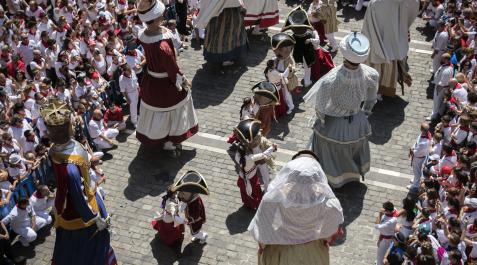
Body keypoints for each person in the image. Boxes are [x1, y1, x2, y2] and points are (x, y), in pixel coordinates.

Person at [39, 99, 117, 265]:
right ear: (68, 127)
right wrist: (95, 219)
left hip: (76, 199)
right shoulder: (70, 169)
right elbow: (77, 196)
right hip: (80, 214)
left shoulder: (58, 149)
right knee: (87, 247)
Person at [303, 32, 379, 188]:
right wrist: (363, 114)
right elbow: (371, 100)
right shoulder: (372, 74)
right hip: (357, 120)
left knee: (331, 152)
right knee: (352, 149)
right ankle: (352, 175)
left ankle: (335, 179)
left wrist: (322, 121)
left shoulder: (330, 81)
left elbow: (321, 107)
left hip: (334, 124)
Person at [248, 150, 344, 265]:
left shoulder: (273, 198)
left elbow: (262, 232)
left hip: (281, 253)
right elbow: (329, 233)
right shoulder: (329, 203)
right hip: (313, 255)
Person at [136, 0, 198, 157]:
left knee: (153, 111)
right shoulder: (163, 46)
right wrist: (184, 81)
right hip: (165, 84)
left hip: (151, 80)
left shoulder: (144, 35)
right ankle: (169, 141)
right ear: (156, 18)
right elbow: (172, 69)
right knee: (175, 107)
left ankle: (155, 136)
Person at [361, 0, 419, 99]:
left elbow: (366, 27)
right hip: (391, 41)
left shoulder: (374, 3)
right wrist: (402, 27)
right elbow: (414, 4)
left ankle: (372, 90)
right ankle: (381, 91)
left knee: (374, 66)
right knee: (387, 68)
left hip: (374, 42)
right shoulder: (401, 2)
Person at [233, 119, 277, 209]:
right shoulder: (250, 157)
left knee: (245, 191)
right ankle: (257, 204)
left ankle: (248, 203)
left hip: (243, 176)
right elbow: (263, 155)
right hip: (252, 176)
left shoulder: (237, 157)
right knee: (256, 190)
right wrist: (272, 148)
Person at [196, 0, 247, 66]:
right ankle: (226, 58)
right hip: (228, 13)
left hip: (218, 13)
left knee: (221, 35)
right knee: (227, 36)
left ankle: (223, 57)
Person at [281, 6, 320, 88]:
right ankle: (307, 82)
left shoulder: (292, 37)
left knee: (302, 67)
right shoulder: (310, 35)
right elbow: (317, 41)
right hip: (307, 56)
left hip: (298, 55)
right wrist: (313, 33)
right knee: (307, 70)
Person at [172, 170, 209, 244]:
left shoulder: (195, 203)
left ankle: (203, 236)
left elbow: (195, 215)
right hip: (193, 221)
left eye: (182, 193)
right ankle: (198, 234)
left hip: (196, 222)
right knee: (195, 231)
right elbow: (185, 203)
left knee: (194, 232)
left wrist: (188, 220)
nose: (180, 195)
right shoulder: (190, 200)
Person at [151, 187, 185, 251]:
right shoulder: (170, 204)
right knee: (171, 231)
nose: (177, 193)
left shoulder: (174, 197)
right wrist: (181, 220)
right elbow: (173, 213)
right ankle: (170, 240)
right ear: (173, 194)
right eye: (176, 192)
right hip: (170, 218)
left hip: (171, 215)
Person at [409, 122, 432, 190]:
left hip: (418, 157)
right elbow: (417, 143)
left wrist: (411, 150)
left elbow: (417, 152)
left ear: (421, 129)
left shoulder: (423, 142)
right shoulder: (427, 134)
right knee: (417, 170)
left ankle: (415, 185)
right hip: (421, 155)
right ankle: (416, 179)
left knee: (416, 170)